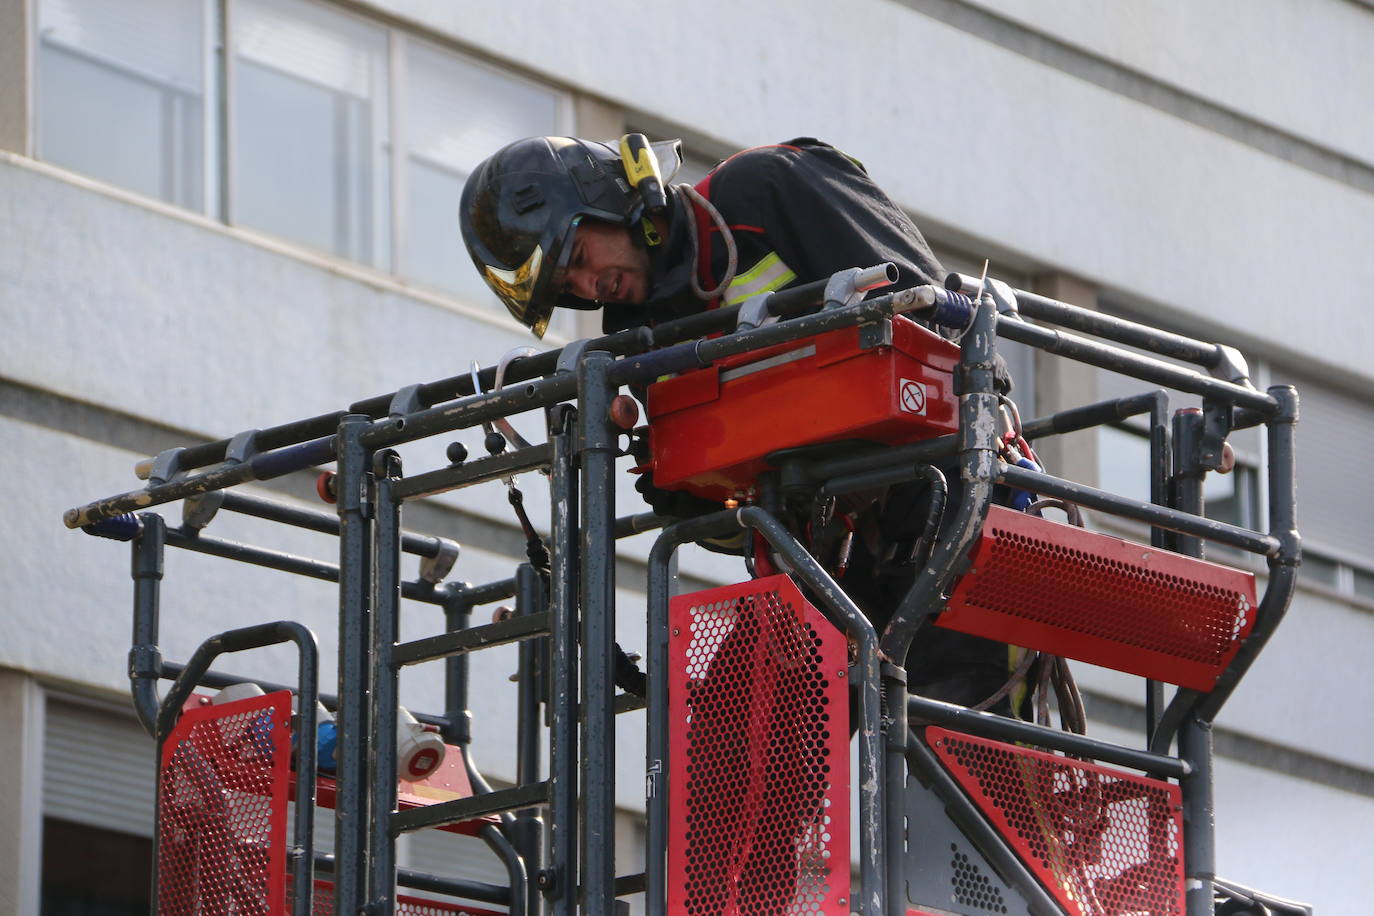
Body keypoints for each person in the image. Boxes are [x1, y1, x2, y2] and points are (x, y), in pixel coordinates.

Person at [459, 134, 1019, 713]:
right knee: (729, 754)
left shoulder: (764, 189)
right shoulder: (641, 332)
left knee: (958, 737)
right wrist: (652, 463)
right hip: (817, 551)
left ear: (613, 200)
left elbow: (937, 326)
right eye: (567, 288)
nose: (587, 286)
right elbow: (722, 523)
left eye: (577, 260)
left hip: (952, 501)